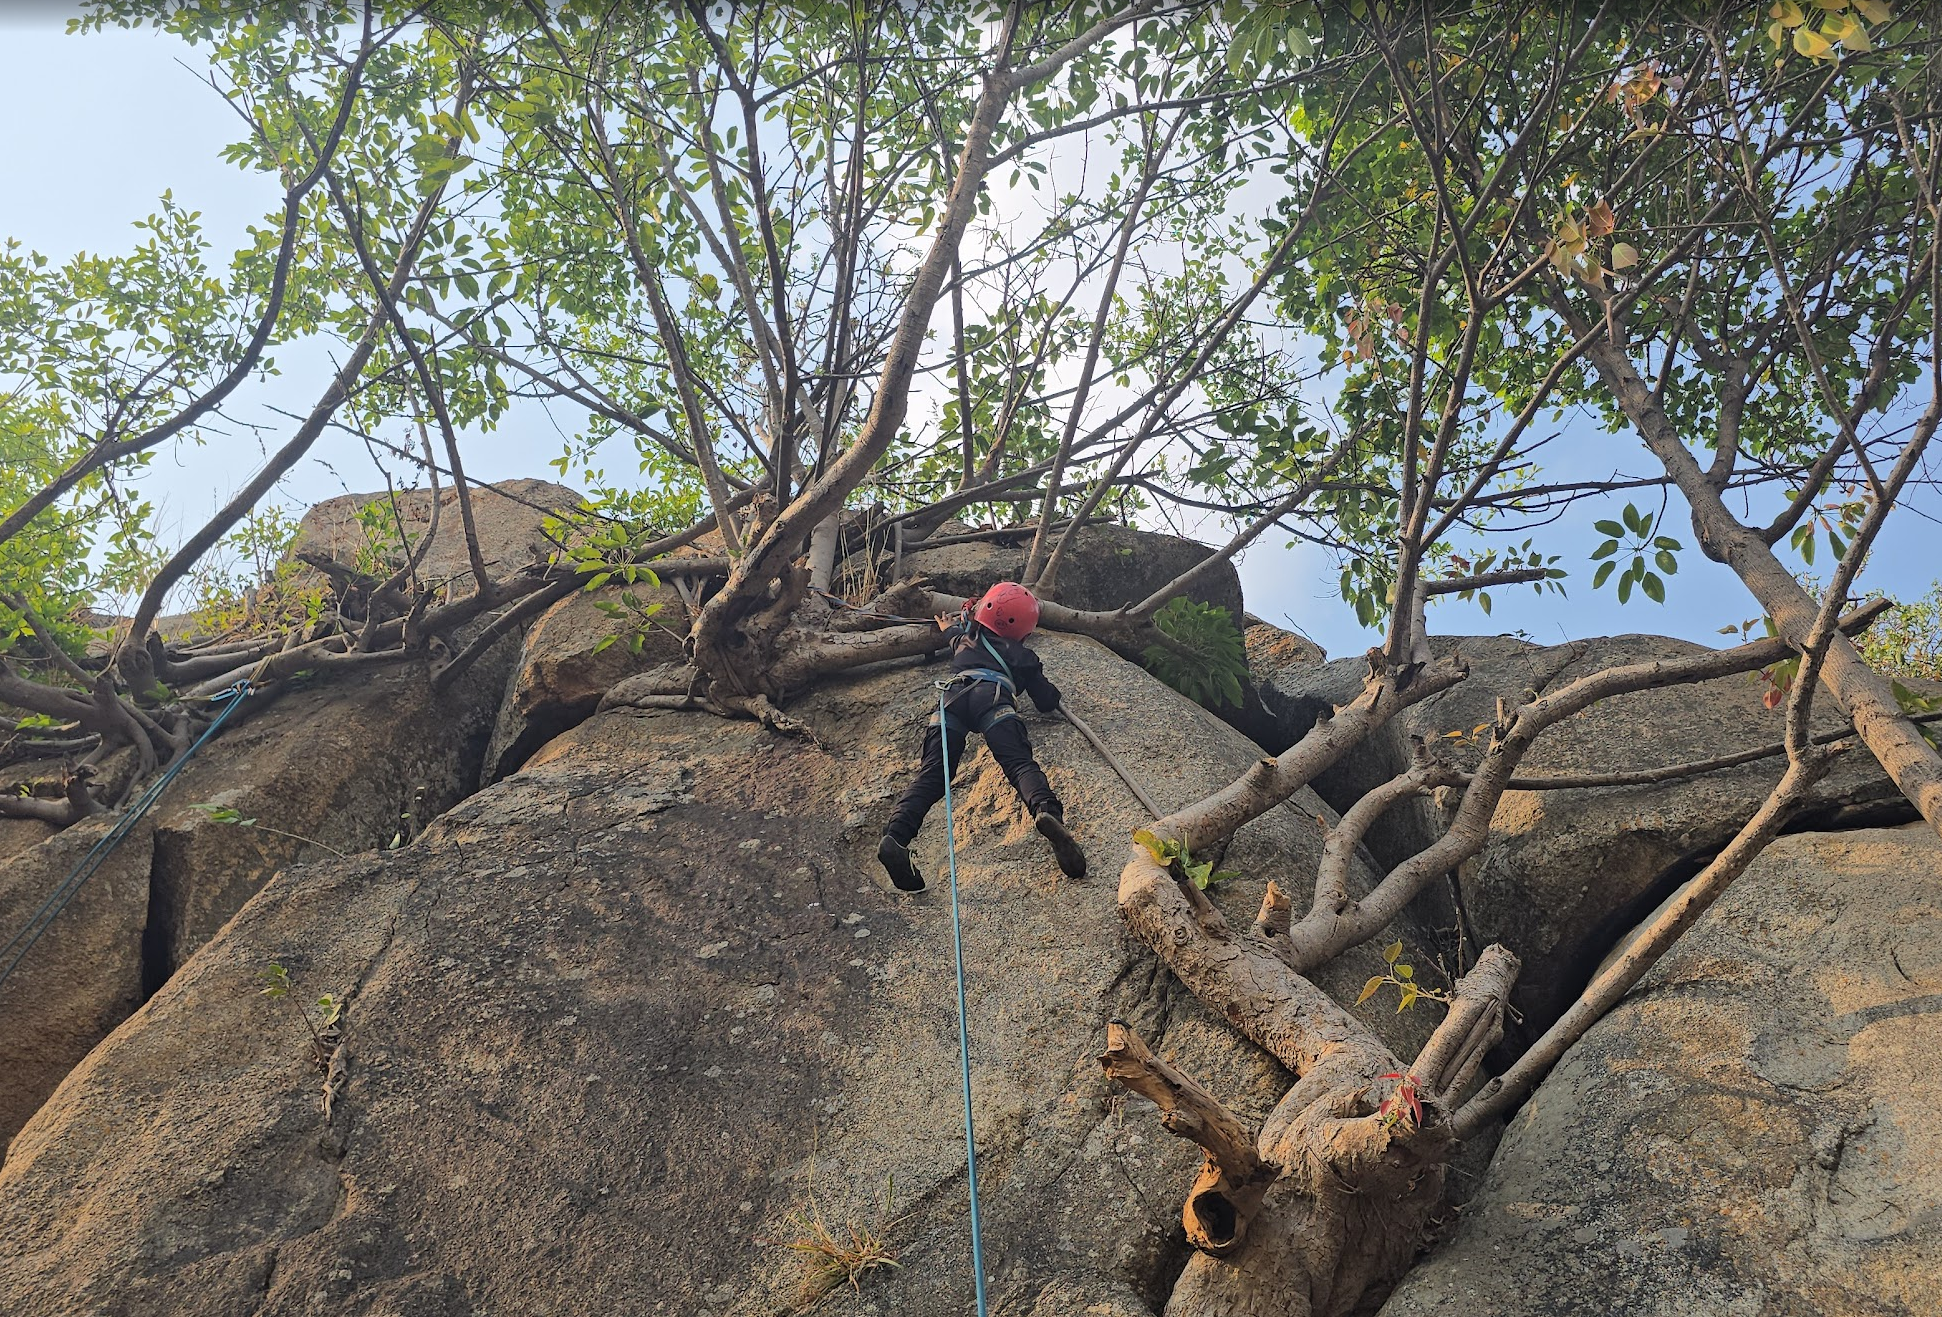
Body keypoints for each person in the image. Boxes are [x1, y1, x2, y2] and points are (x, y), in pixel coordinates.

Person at [877, 582, 1087, 892]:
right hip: (993, 698)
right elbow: (1044, 701)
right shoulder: (1022, 655)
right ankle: (1046, 813)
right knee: (1018, 765)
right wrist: (1051, 692)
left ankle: (895, 837)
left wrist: (949, 626)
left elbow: (952, 636)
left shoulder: (966, 639)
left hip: (951, 700)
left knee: (932, 775)